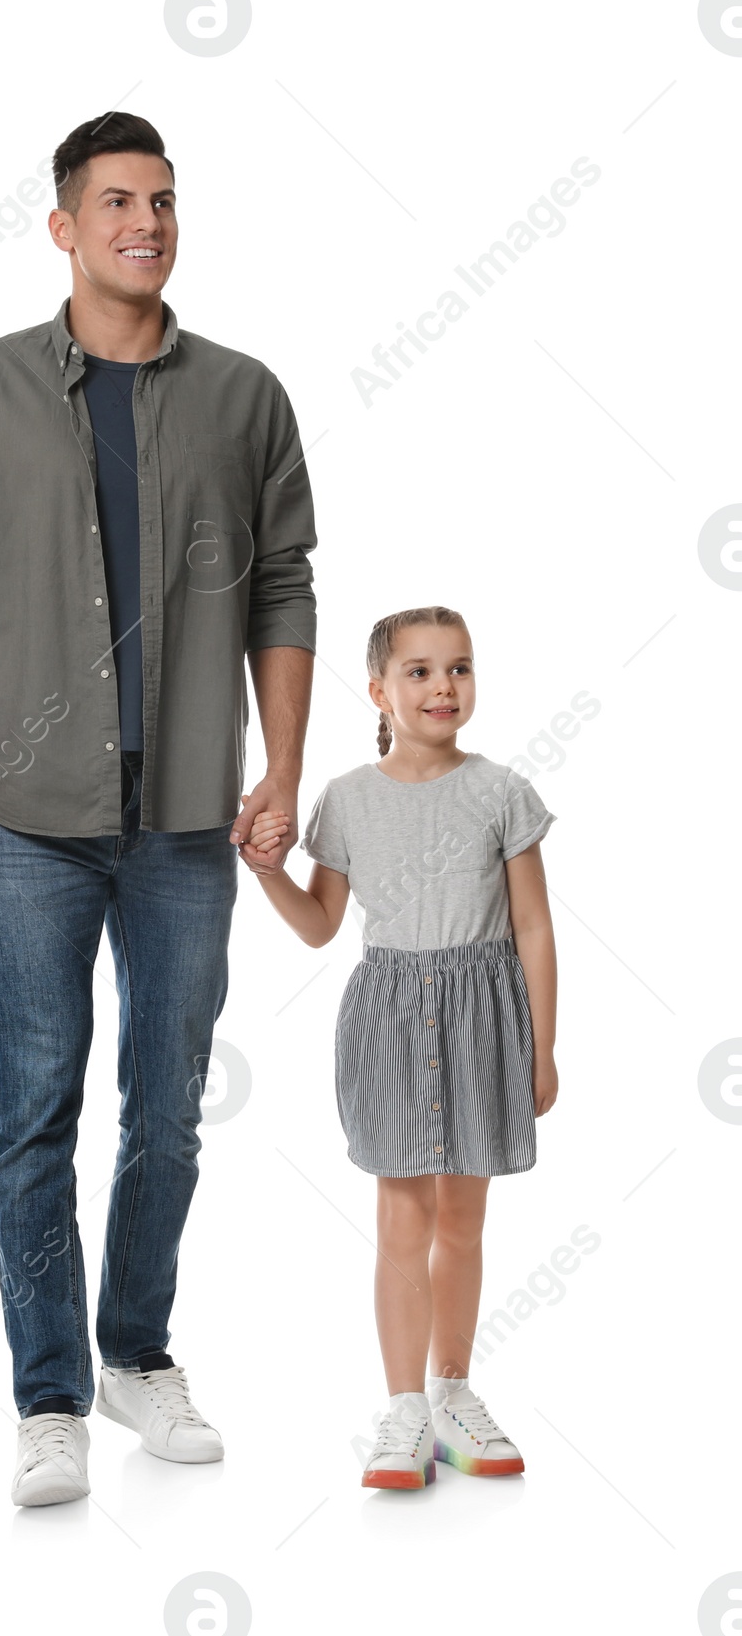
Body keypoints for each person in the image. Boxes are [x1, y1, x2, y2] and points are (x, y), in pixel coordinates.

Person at [0, 112, 320, 1506]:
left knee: (171, 1109)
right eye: (118, 201)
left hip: (192, 816)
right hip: (31, 816)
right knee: (33, 1107)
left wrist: (281, 770)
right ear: (65, 226)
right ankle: (48, 1396)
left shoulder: (247, 395)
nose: (147, 221)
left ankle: (136, 1353)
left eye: (165, 201)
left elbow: (283, 587)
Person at [245, 605, 558, 1488]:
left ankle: (453, 1388)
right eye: (419, 671)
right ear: (379, 690)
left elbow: (532, 925)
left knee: (463, 1219)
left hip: (484, 1016)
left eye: (458, 668)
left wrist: (542, 1044)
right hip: (389, 1018)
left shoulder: (501, 791)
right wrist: (269, 873)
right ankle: (403, 1409)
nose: (443, 685)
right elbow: (320, 925)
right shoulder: (346, 797)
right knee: (400, 1219)